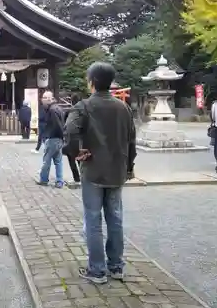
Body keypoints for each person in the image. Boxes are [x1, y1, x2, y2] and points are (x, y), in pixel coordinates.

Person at [63, 62, 136, 284]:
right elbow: (131, 139)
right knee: (115, 218)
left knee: (93, 220)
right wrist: (130, 166)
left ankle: (97, 270)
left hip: (93, 170)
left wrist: (76, 152)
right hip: (117, 170)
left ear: (92, 81)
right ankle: (116, 266)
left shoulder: (83, 107)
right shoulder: (123, 108)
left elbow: (70, 131)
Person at [37, 91, 65, 188]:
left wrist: (48, 137)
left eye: (44, 98)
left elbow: (56, 125)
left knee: (47, 160)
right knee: (58, 160)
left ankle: (44, 179)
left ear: (49, 99)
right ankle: (59, 181)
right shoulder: (58, 108)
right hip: (59, 138)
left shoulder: (52, 110)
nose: (42, 100)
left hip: (53, 138)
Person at [62, 95, 81, 184]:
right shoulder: (82, 111)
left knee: (71, 159)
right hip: (79, 138)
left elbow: (64, 124)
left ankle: (76, 178)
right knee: (80, 159)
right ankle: (83, 177)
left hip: (69, 138)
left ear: (72, 102)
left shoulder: (69, 112)